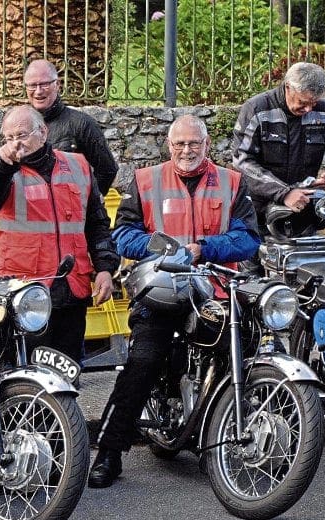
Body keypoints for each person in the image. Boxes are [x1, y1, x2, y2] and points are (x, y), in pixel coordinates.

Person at [88, 114, 261, 489]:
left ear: (207, 145)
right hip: (161, 290)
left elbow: (248, 238)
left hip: (214, 290)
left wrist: (203, 249)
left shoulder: (232, 182)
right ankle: (109, 452)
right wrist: (160, 247)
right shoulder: (146, 180)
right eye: (179, 144)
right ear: (169, 146)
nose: (187, 150)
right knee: (142, 362)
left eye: (194, 144)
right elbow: (123, 236)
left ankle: (216, 437)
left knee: (239, 349)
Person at [0, 105, 120, 364]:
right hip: (24, 291)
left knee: (68, 373)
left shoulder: (78, 165)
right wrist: (2, 160)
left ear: (42, 132)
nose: (16, 143)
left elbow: (96, 223)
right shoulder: (6, 171)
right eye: (9, 138)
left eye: (22, 135)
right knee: (26, 373)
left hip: (71, 287)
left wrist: (105, 267)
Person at [233, 61, 325, 234]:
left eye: (314, 103)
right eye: (303, 102)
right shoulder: (256, 109)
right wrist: (284, 193)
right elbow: (242, 161)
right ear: (287, 87)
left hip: (304, 214)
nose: (308, 109)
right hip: (259, 215)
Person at [24, 59, 118, 196]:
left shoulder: (82, 124)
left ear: (57, 85)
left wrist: (84, 202)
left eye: (44, 84)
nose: (38, 91)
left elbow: (107, 170)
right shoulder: (19, 126)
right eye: (32, 85)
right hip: (32, 211)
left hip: (71, 213)